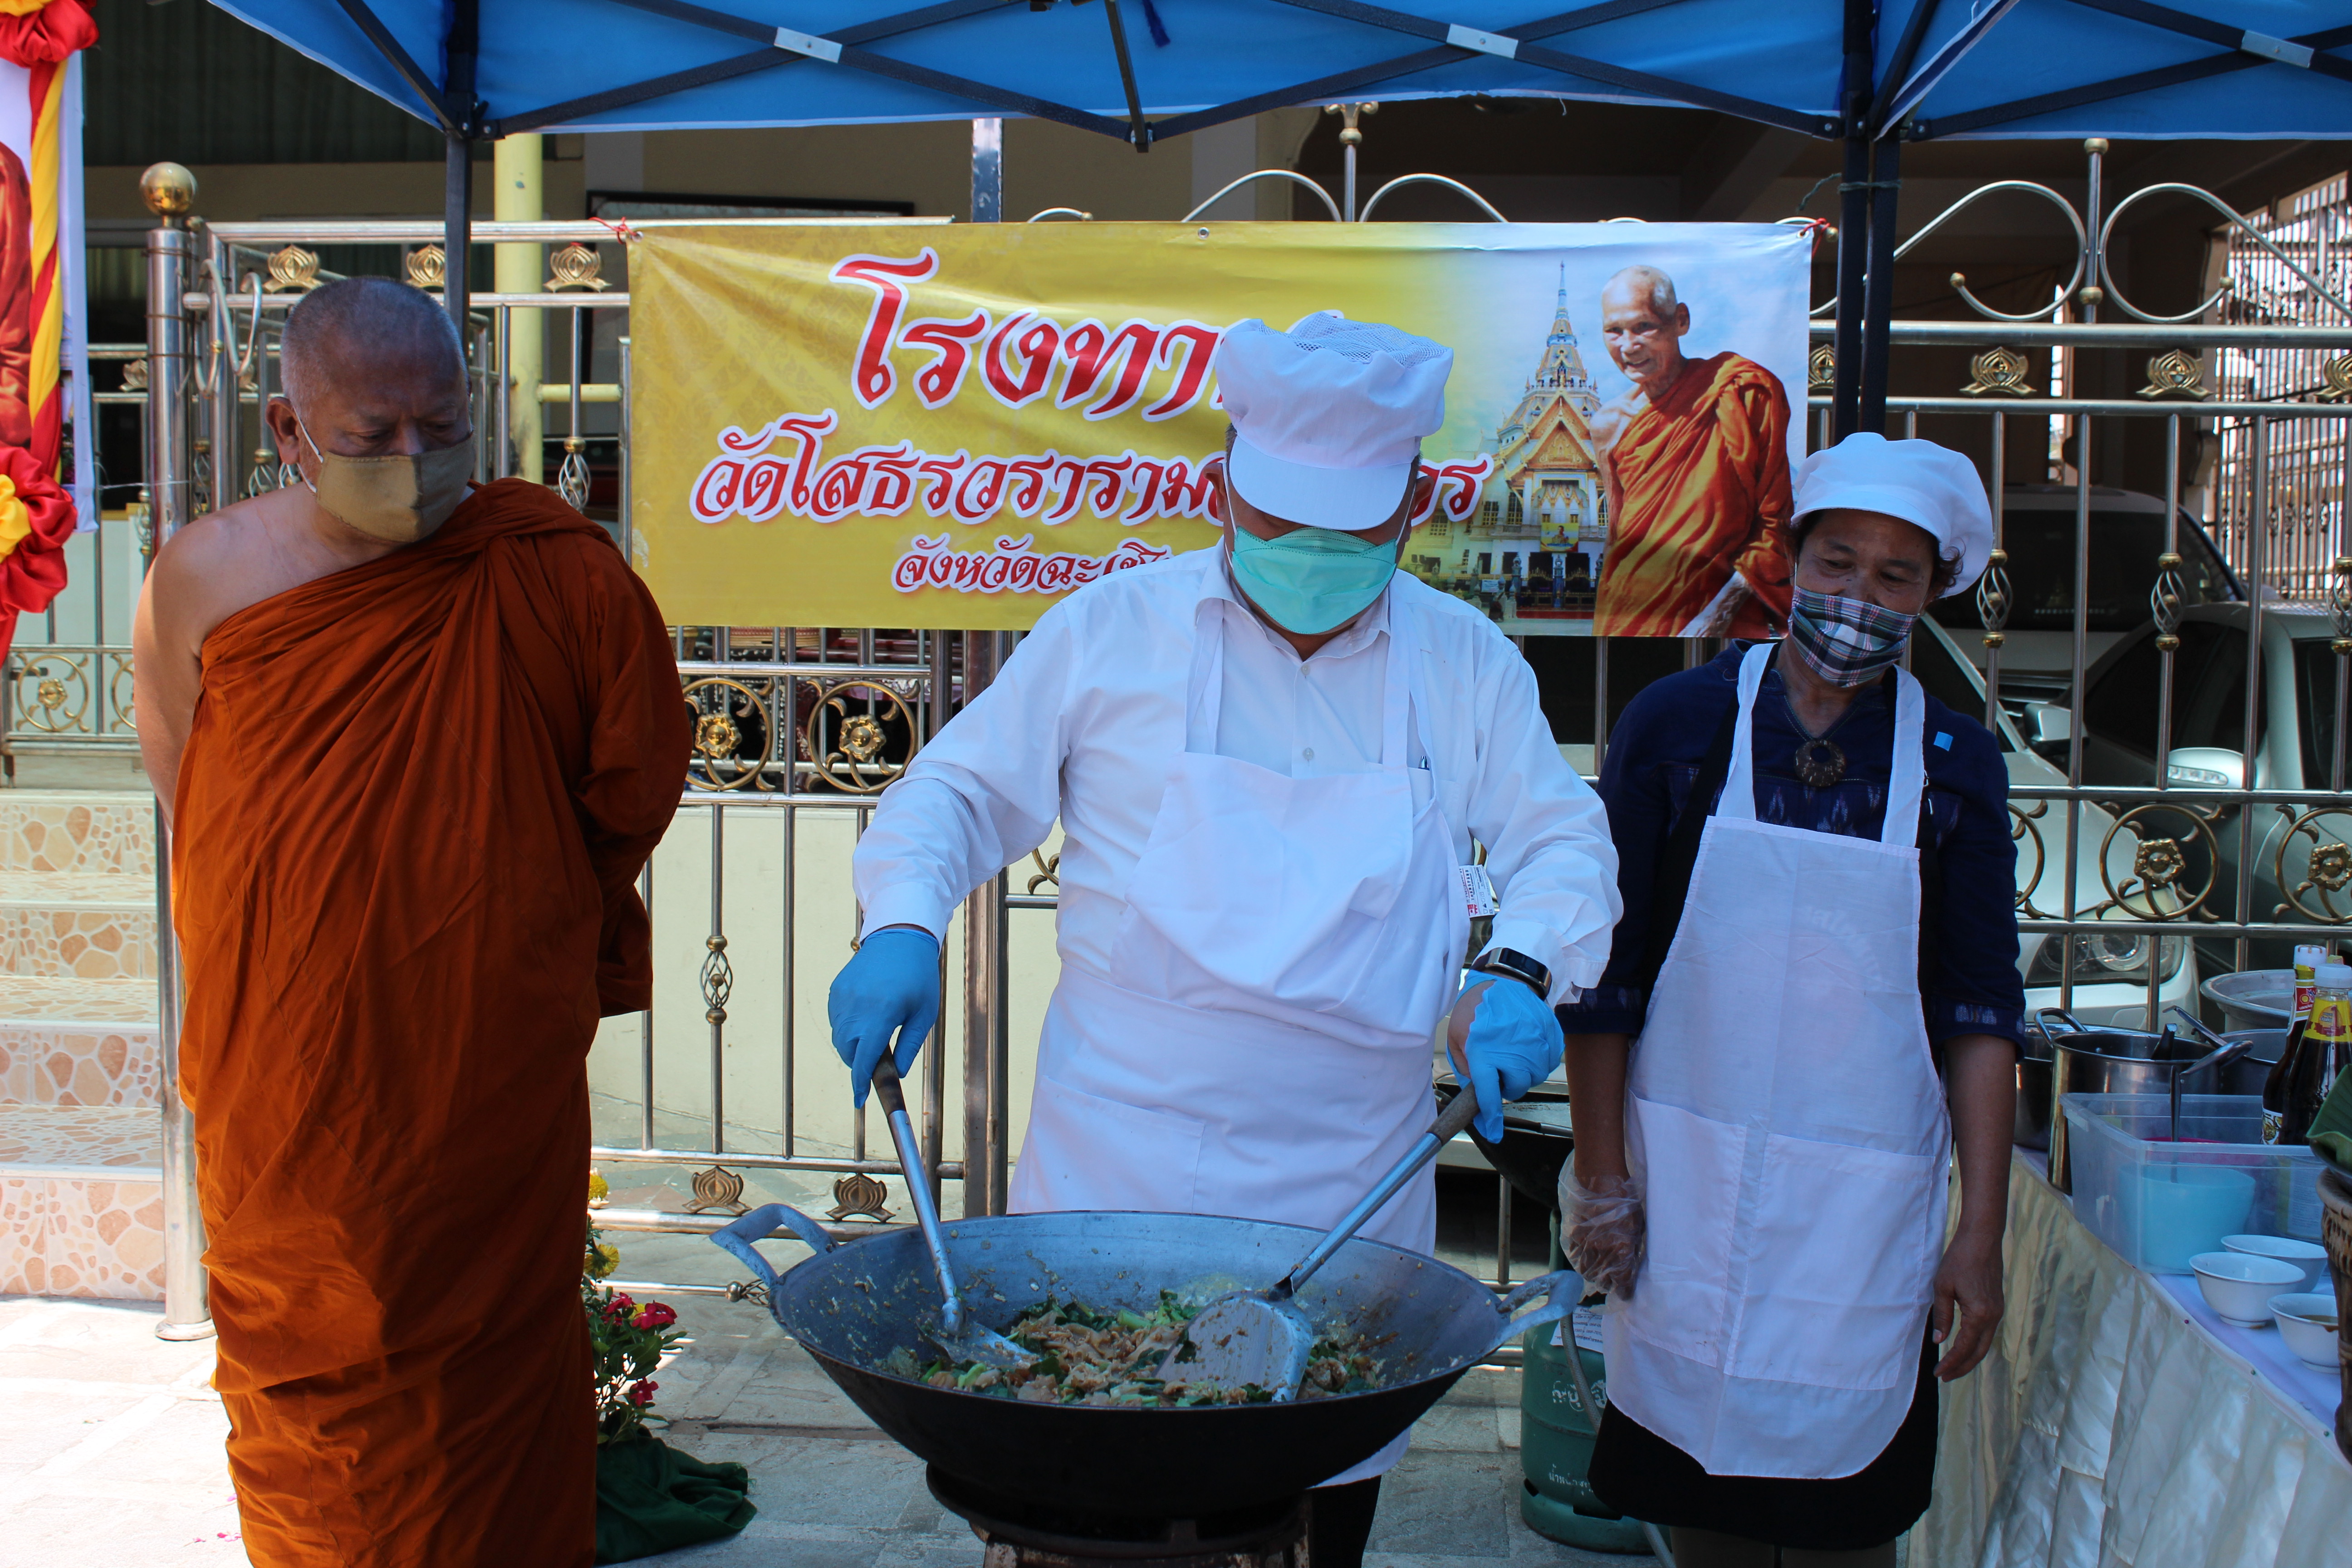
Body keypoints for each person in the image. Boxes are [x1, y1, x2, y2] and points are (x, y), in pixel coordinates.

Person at [830, 315, 1622, 1565]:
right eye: (1281, 526)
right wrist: (906, 924)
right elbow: (956, 793)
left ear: (1413, 505)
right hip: (1116, 1160)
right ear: (1219, 492)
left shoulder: (1464, 663)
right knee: (1088, 1485)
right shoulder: (1113, 632)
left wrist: (1521, 967)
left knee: (1311, 1494)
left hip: (1343, 1182)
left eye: (1350, 535)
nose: (1312, 559)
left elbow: (1560, 843)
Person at [132, 277, 692, 1568]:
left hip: (479, 1075)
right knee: (313, 1406)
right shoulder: (205, 580)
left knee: (491, 1394)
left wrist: (503, 904)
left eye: (443, 430)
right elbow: (199, 806)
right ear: (288, 429)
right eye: (372, 436)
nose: (414, 463)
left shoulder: (547, 568)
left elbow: (632, 789)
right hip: (292, 1085)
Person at [1556, 432, 2023, 1568]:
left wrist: (1978, 1230)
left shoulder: (1955, 760)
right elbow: (1605, 980)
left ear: (1930, 595)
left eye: (1894, 574)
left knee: (1843, 1514)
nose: (1858, 594)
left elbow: (1976, 1012)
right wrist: (1604, 1177)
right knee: (1698, 1501)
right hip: (1686, 1183)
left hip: (1861, 1217)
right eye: (1837, 561)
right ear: (1789, 564)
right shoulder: (1680, 728)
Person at [1588, 265, 1793, 638]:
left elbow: (1774, 523)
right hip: (1632, 613)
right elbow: (1619, 535)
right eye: (1614, 331)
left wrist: (1717, 614)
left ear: (1680, 321)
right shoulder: (1608, 425)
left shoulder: (1743, 391)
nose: (1629, 347)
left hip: (1724, 613)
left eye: (1644, 327)